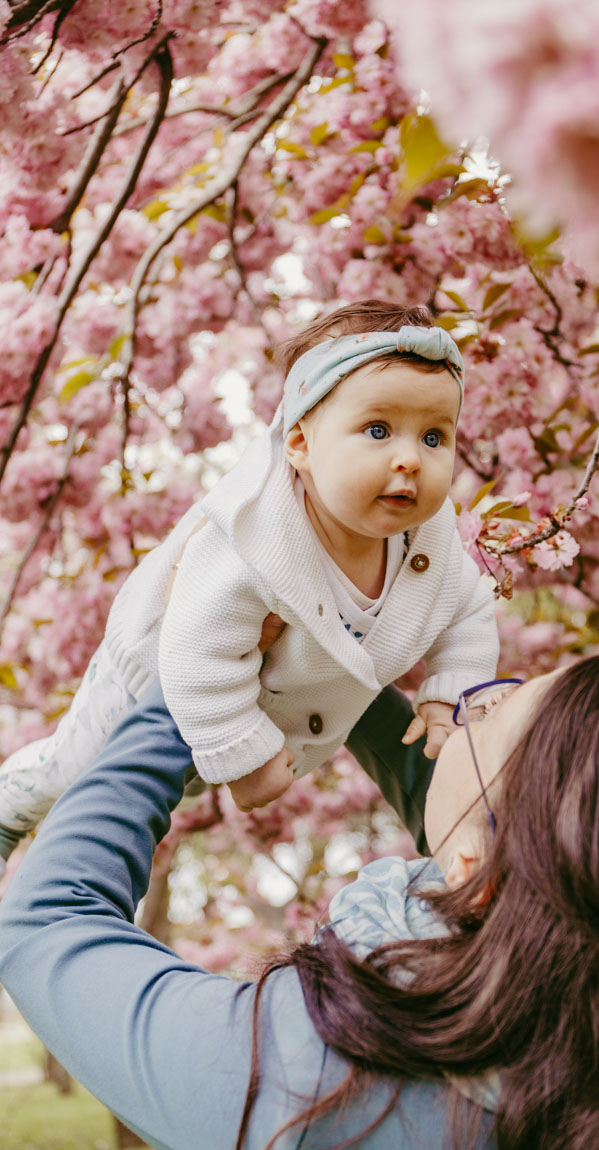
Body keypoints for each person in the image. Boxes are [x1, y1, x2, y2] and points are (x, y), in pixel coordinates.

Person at [1, 651, 599, 1150]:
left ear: (478, 877)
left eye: (486, 715)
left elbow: (43, 919)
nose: (458, 717)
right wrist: (334, 679)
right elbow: (498, 855)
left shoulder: (315, 1080)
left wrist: (193, 684)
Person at [0, 301, 499, 874]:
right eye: (378, 430)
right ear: (299, 444)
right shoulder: (254, 540)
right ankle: (8, 807)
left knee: (184, 791)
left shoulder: (428, 542)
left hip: (290, 693)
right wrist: (245, 754)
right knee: (77, 771)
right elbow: (194, 654)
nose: (410, 458)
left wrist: (449, 692)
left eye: (435, 437)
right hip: (153, 680)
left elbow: (467, 610)